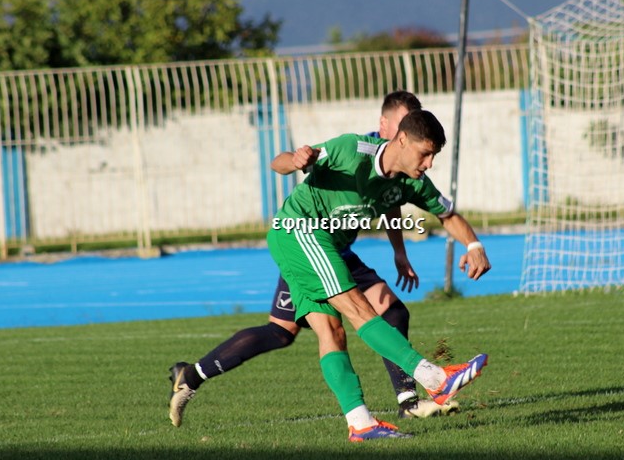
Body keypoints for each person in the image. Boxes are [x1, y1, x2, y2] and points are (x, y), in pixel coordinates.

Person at [168, 92, 457, 430]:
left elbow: (393, 201)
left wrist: (403, 251)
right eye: (405, 123)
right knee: (283, 331)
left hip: (337, 251)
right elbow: (283, 162)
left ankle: (398, 405)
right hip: (307, 244)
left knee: (385, 313)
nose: (415, 136)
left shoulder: (405, 163)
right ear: (388, 125)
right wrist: (296, 160)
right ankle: (193, 374)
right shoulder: (358, 148)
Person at [265, 109, 491, 440]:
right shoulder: (350, 150)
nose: (429, 163)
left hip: (323, 244)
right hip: (299, 229)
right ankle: (436, 379)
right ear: (402, 140)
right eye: (425, 153)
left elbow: (447, 213)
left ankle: (360, 423)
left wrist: (473, 245)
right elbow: (278, 163)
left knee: (331, 331)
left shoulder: (412, 182)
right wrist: (297, 160)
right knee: (359, 308)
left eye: (434, 156)